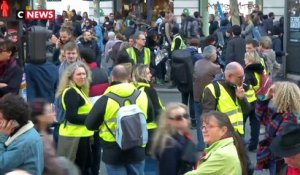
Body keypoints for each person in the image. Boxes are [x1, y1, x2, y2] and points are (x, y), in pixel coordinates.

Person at [85, 64, 150, 175]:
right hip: (137, 146)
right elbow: (150, 118)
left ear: (113, 78)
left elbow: (90, 124)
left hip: (113, 149)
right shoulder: (142, 95)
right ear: (129, 77)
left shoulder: (105, 99)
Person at [56, 62, 94, 175]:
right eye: (79, 74)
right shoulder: (71, 92)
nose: (82, 77)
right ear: (71, 76)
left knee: (83, 168)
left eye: (84, 74)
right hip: (74, 138)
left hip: (81, 136)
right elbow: (71, 117)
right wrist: (92, 118)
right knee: (77, 169)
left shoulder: (79, 90)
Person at [256, 81, 300, 175]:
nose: (272, 96)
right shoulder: (279, 112)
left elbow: (279, 142)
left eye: (274, 93)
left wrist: (265, 153)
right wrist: (266, 97)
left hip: (280, 159)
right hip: (275, 156)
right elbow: (259, 116)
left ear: (282, 97)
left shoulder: (291, 118)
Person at [202, 62, 250, 135]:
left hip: (238, 135)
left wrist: (242, 98)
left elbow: (247, 111)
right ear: (229, 76)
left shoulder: (237, 86)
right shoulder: (212, 89)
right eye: (240, 77)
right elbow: (207, 119)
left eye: (243, 77)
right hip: (222, 137)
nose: (242, 81)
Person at [0, 94, 44, 174]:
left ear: (12, 122)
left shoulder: (25, 142)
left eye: (0, 119)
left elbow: (1, 167)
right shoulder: (23, 131)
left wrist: (2, 137)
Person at [151, 103, 198, 175]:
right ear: (169, 121)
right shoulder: (170, 146)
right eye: (178, 118)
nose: (184, 119)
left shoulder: (186, 136)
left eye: (185, 116)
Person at [193, 45, 221, 151]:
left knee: (199, 121)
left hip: (196, 96)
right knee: (210, 121)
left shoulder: (197, 63)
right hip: (209, 99)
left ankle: (201, 144)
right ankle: (210, 143)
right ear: (212, 55)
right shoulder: (215, 68)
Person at [29, 99, 65, 175]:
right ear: (39, 117)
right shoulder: (41, 140)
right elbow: (53, 166)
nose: (54, 113)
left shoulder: (46, 133)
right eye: (50, 112)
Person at [243, 51, 264, 152]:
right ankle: (253, 145)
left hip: (246, 102)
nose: (244, 60)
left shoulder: (247, 72)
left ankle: (240, 144)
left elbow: (245, 88)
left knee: (241, 124)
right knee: (255, 124)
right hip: (257, 100)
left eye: (245, 59)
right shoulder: (260, 70)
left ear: (250, 60)